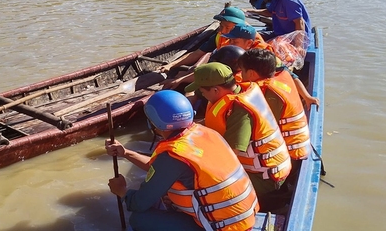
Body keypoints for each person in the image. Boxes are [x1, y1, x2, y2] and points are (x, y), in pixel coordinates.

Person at [106, 90, 259, 231]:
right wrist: (125, 153)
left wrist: (122, 191)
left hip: (222, 227)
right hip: (243, 217)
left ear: (153, 123)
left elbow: (138, 203)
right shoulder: (205, 133)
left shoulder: (172, 156)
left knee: (139, 219)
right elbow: (159, 168)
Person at [184, 63, 292, 209]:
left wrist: (193, 159)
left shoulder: (239, 112)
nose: (202, 95)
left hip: (266, 177)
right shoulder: (240, 92)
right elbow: (214, 122)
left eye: (203, 92)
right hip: (263, 168)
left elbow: (232, 154)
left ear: (216, 90)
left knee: (202, 189)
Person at [221, 24, 319, 111]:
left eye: (235, 41)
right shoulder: (232, 53)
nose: (230, 43)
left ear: (249, 43)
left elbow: (291, 76)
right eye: (230, 40)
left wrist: (307, 97)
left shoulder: (264, 58)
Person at [238, 49, 311, 160]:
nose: (241, 75)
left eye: (242, 71)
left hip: (291, 154)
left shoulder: (268, 94)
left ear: (251, 73)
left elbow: (261, 129)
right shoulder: (283, 77)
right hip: (296, 143)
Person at [160, 7, 262, 73]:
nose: (223, 31)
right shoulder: (220, 36)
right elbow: (197, 53)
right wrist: (171, 65)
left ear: (240, 26)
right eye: (221, 26)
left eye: (228, 27)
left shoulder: (254, 42)